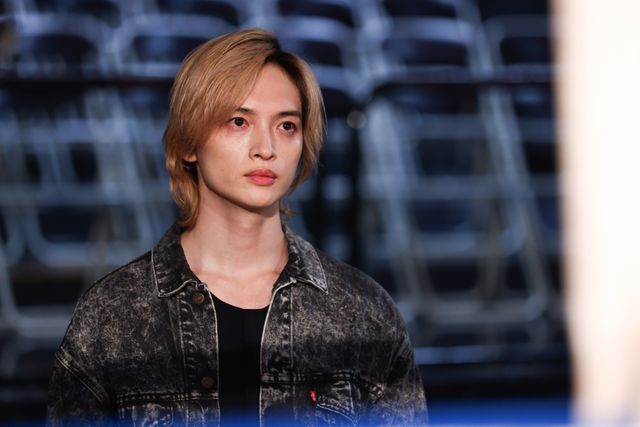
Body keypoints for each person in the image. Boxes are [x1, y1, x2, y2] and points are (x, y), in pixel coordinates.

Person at [46, 28, 427, 426]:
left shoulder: (363, 313)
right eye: (239, 121)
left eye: (286, 126)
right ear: (188, 143)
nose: (266, 149)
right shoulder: (113, 314)